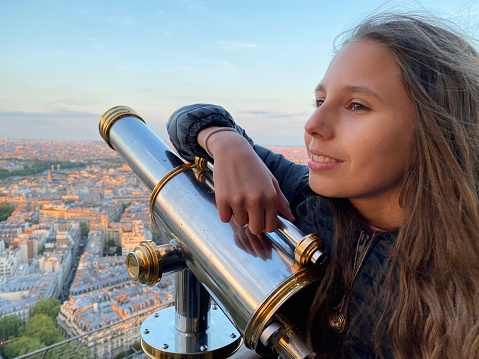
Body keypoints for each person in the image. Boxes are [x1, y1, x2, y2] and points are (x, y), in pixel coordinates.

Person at [167, 13, 479, 359]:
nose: (313, 123)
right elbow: (185, 122)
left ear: (435, 130)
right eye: (320, 101)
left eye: (356, 105)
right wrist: (226, 141)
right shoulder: (303, 196)